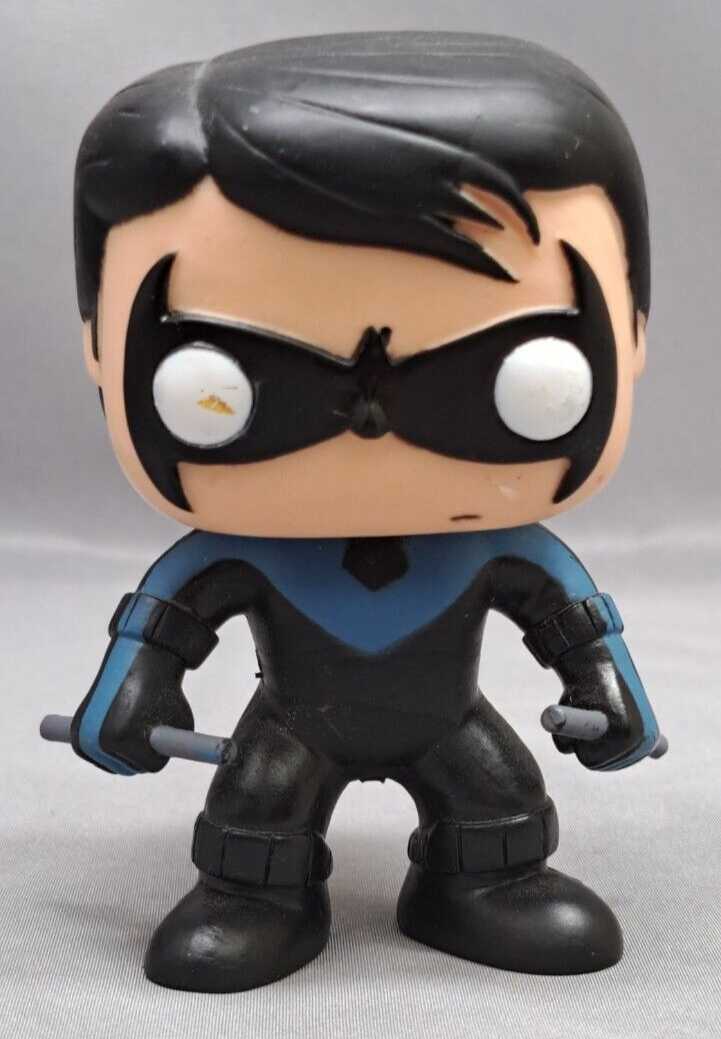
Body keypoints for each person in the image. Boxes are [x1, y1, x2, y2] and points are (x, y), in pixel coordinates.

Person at [69, 32, 661, 991]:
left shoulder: (502, 551)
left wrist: (604, 686)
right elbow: (163, 623)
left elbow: (574, 621)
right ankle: (256, 895)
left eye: (511, 378)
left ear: (632, 332)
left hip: (448, 719)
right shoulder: (240, 554)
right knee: (259, 809)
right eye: (226, 384)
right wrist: (130, 695)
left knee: (498, 798)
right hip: (292, 725)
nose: (373, 426)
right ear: (101, 347)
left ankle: (485, 882)